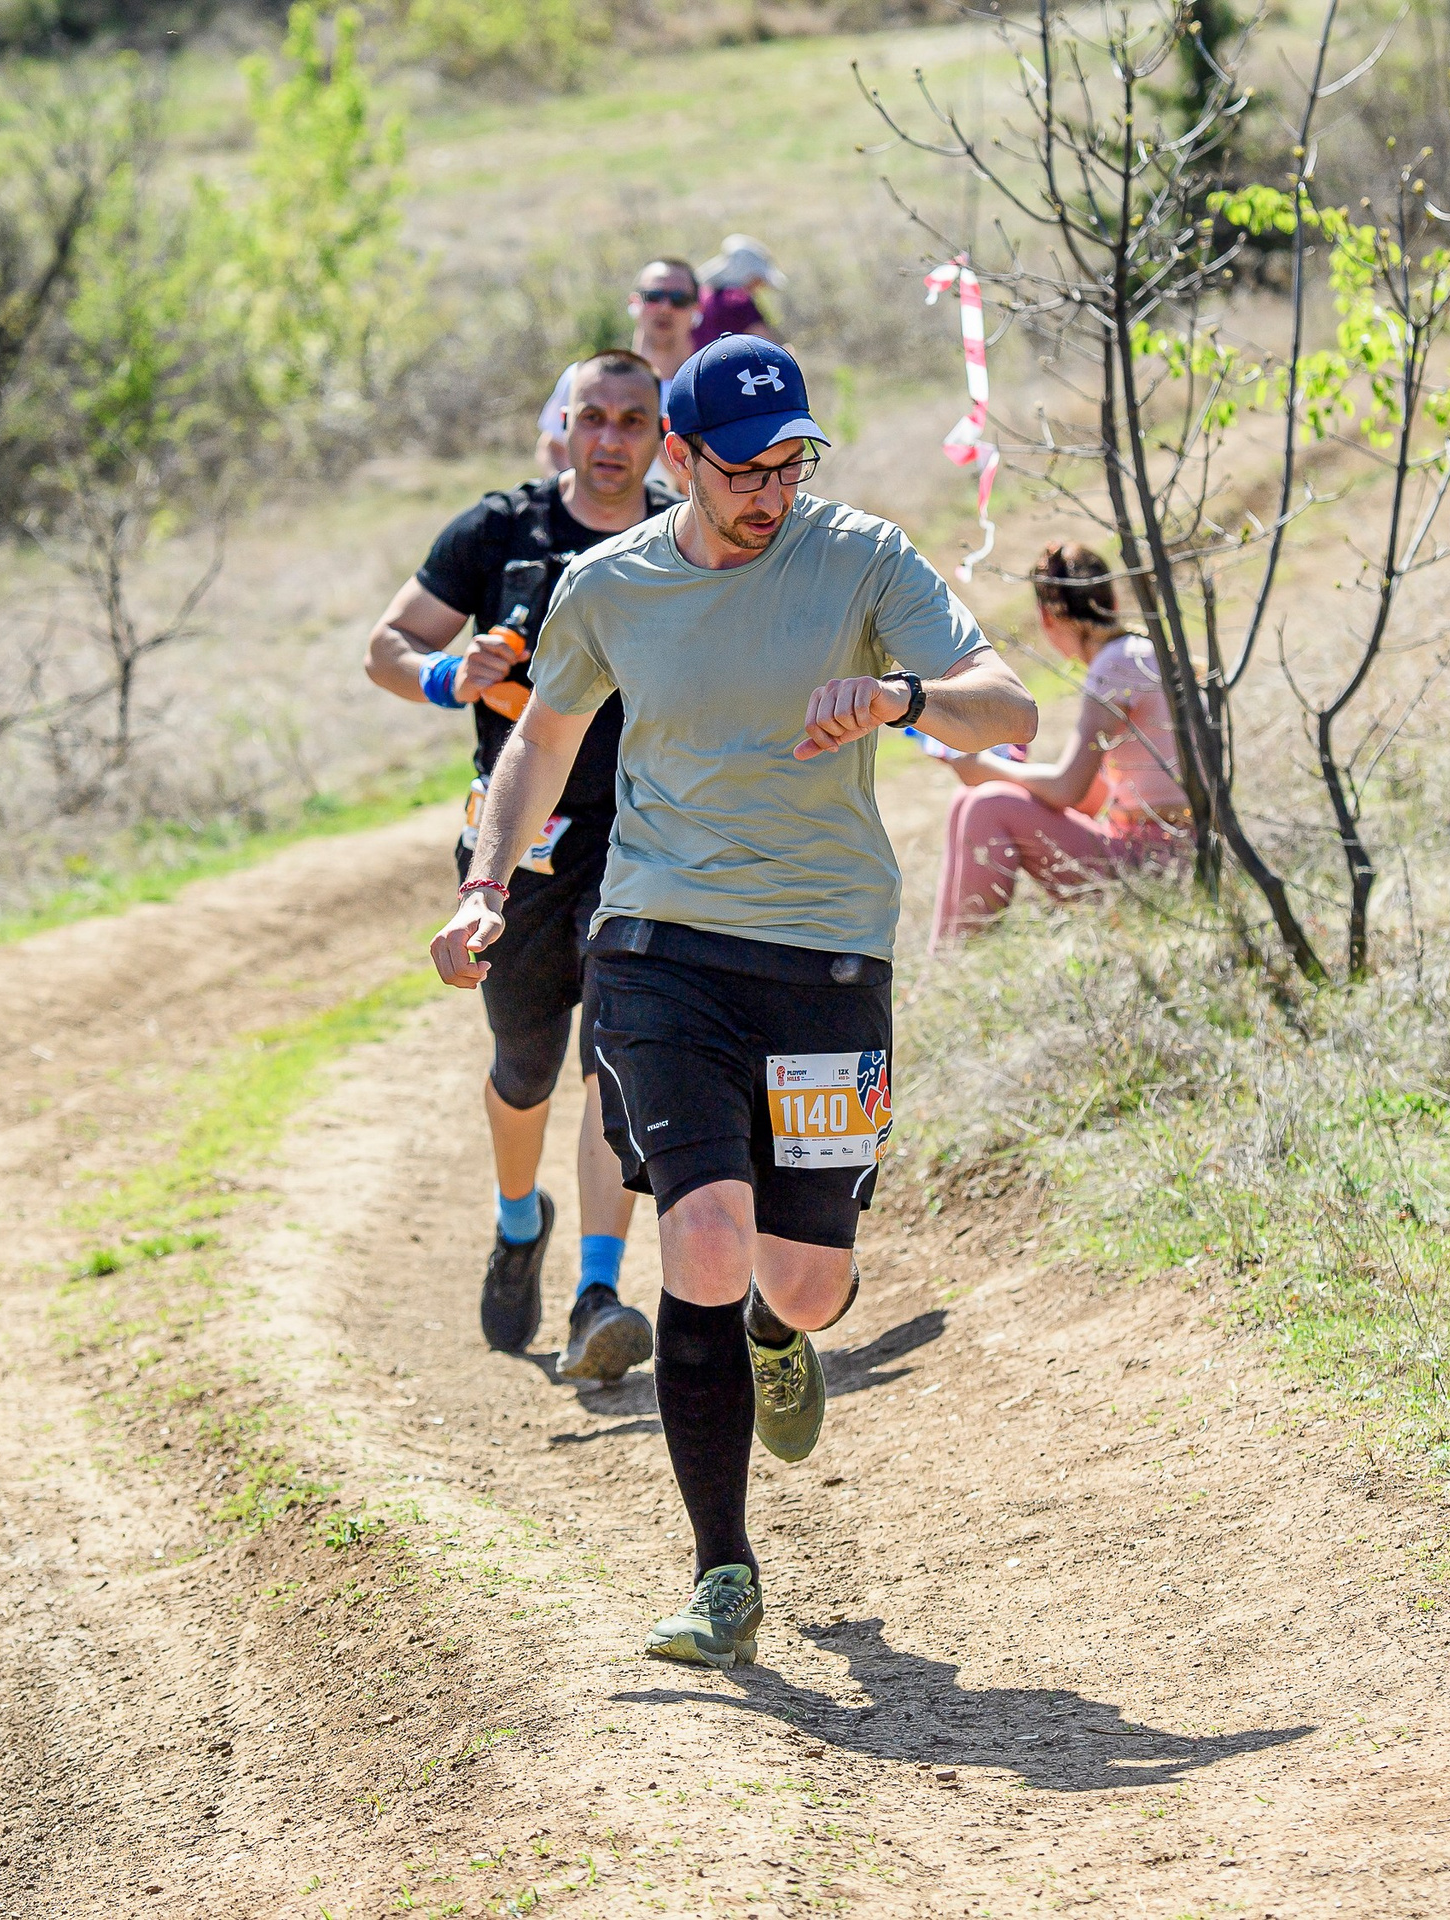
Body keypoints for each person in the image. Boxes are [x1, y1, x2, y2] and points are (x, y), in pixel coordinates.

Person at [428, 337, 1036, 1670]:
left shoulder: (862, 557)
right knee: (700, 1240)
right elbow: (544, 736)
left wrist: (902, 695)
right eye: (743, 468)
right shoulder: (612, 585)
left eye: (790, 463)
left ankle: (777, 1333)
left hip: (824, 955)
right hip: (661, 947)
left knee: (805, 1282)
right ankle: (724, 1573)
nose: (770, 490)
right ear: (681, 460)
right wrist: (488, 885)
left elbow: (1010, 705)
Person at [365, 351, 681, 1384]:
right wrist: (452, 673)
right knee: (524, 1069)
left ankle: (599, 1291)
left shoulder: (681, 535)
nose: (609, 440)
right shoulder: (500, 531)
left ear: (657, 433)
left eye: (632, 421)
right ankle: (516, 1223)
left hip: (641, 835)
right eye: (593, 417)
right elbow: (387, 646)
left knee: (616, 1062)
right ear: (566, 424)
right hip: (519, 844)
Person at [926, 541, 1188, 951]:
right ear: (1112, 599)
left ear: (1047, 618)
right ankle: (942, 960)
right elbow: (1092, 798)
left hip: (1157, 866)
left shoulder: (1113, 665)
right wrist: (1014, 779)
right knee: (970, 798)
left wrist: (987, 768)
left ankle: (951, 964)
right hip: (1175, 853)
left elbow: (1069, 790)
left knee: (985, 805)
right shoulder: (1146, 652)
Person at [534, 259, 702, 479]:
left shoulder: (707, 390)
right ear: (634, 303)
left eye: (679, 299)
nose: (665, 307)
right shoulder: (586, 378)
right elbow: (553, 447)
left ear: (697, 310)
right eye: (653, 297)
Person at [691, 235, 786, 350]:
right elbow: (767, 346)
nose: (759, 287)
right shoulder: (738, 300)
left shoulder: (700, 295)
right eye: (757, 280)